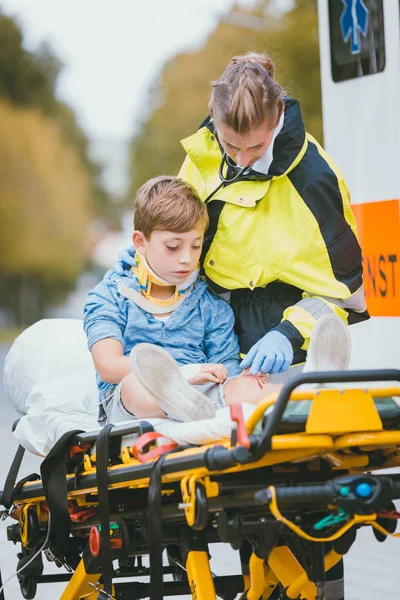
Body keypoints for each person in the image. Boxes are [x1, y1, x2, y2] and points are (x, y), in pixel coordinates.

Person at [119, 51, 361, 600]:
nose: (245, 159)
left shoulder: (315, 177)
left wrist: (289, 332)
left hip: (288, 321)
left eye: (256, 147)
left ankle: (316, 586)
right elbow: (168, 234)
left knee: (297, 470)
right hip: (216, 319)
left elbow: (344, 289)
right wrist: (144, 292)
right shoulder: (203, 159)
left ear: (278, 117)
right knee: (232, 474)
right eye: (233, 146)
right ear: (214, 118)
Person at [83, 175, 292, 426]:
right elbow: (108, 365)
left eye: (195, 246)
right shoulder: (109, 296)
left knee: (247, 387)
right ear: (140, 242)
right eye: (173, 247)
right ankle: (179, 404)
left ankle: (314, 388)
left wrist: (245, 380)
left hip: (200, 396)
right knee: (134, 385)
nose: (186, 258)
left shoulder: (211, 306)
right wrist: (183, 374)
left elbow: (227, 374)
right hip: (131, 400)